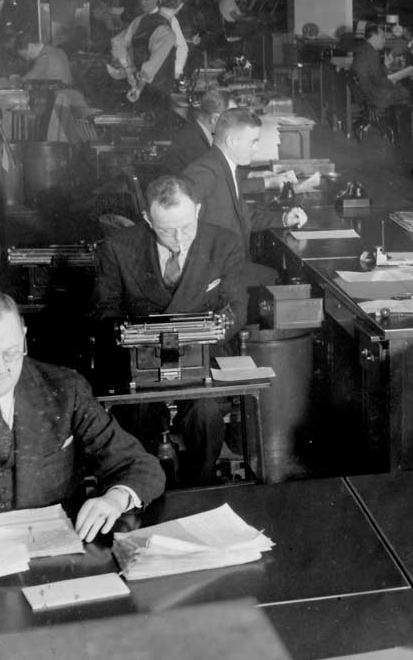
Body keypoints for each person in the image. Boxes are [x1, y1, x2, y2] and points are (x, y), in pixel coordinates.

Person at [0, 287, 165, 536]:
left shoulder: (65, 389)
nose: (1, 369)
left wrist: (115, 498)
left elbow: (140, 465)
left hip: (54, 556)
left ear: (24, 336)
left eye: (12, 352)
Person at [92, 175, 247, 486]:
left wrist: (213, 331)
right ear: (148, 219)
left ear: (198, 210)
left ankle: (199, 487)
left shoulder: (225, 243)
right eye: (166, 230)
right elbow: (105, 311)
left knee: (205, 413)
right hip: (140, 359)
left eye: (186, 227)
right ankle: (146, 486)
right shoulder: (118, 248)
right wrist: (132, 338)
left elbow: (237, 307)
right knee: (137, 416)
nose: (179, 239)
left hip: (204, 356)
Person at [182, 108, 307, 279]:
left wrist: (284, 218)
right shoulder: (205, 171)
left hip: (229, 263)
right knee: (278, 279)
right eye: (253, 141)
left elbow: (242, 216)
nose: (256, 148)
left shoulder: (225, 166)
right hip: (215, 271)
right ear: (232, 141)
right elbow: (177, 215)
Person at [110, 0, 188, 115]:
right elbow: (151, 66)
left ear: (160, 0)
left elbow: (119, 42)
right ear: (180, 6)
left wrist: (129, 72)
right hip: (156, 88)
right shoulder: (168, 32)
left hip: (141, 83)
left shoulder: (141, 20)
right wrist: (139, 88)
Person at [162, 89, 231, 174]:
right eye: (231, 119)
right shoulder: (193, 145)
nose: (235, 126)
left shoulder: (199, 133)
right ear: (214, 119)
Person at [351, 23, 413, 109]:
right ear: (374, 37)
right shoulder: (372, 53)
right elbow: (378, 81)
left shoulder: (365, 49)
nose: (384, 40)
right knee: (409, 91)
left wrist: (386, 67)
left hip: (364, 91)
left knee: (404, 87)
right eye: (382, 37)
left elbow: (374, 74)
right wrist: (394, 80)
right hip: (374, 94)